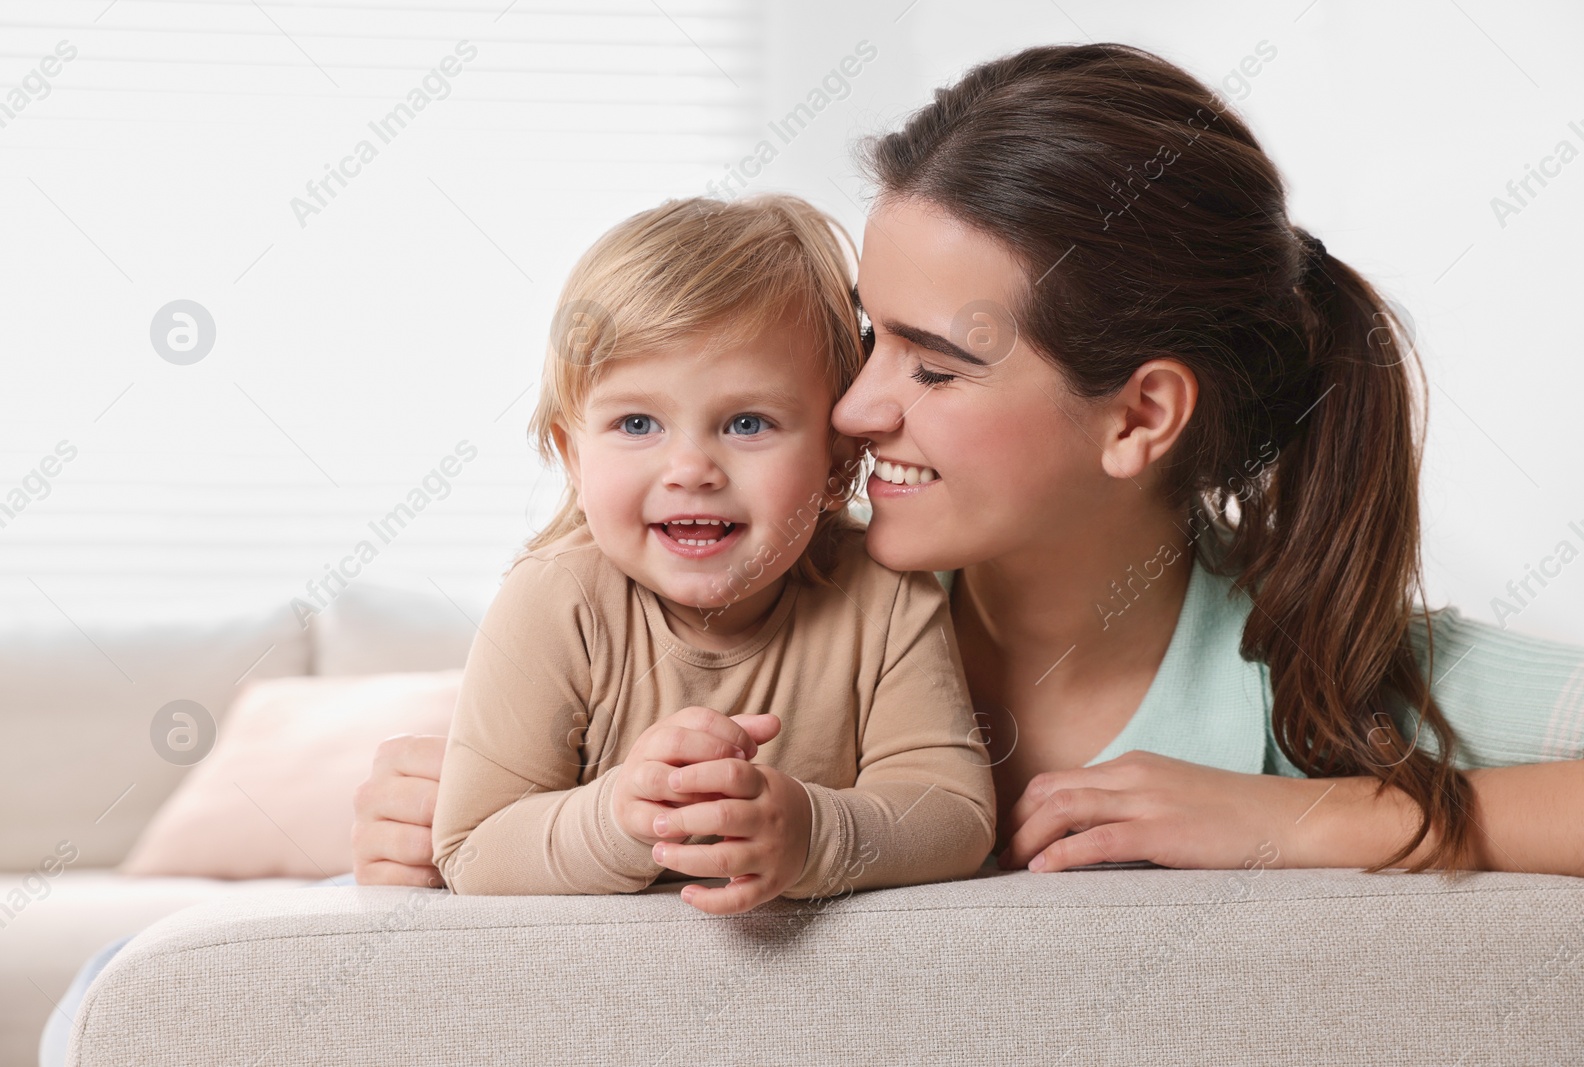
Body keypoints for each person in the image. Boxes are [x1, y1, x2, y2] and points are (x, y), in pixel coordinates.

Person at [354, 43, 1584, 889]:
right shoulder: (779, 591)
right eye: (864, 336)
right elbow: (519, 783)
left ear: (1138, 416)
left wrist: (1314, 815)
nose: (851, 405)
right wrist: (461, 810)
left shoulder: (1322, 668)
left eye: (934, 367)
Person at [428, 193, 994, 914]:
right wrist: (623, 821)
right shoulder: (555, 600)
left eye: (747, 422)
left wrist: (815, 832)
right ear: (574, 457)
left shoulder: (884, 592)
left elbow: (956, 813)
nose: (691, 467)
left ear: (835, 461)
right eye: (638, 422)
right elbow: (471, 846)